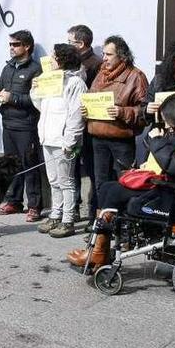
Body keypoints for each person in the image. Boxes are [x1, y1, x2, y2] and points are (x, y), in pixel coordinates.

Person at [68, 93, 175, 269]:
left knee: (112, 191)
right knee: (106, 188)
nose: (166, 125)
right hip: (173, 187)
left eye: (168, 121)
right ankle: (98, 249)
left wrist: (158, 141)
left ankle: (98, 253)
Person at [83, 35, 148, 219]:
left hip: (121, 139)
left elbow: (144, 111)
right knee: (100, 183)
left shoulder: (136, 76)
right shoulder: (101, 73)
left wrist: (122, 112)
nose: (104, 58)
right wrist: (86, 109)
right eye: (103, 54)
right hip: (97, 136)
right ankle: (101, 227)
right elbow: (92, 96)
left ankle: (125, 225)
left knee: (126, 182)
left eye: (109, 54)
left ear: (122, 56)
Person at [31, 43, 87, 238]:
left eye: (54, 57)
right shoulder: (51, 79)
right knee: (54, 180)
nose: (50, 61)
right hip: (48, 137)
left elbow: (76, 115)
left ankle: (68, 219)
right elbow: (41, 106)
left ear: (62, 60)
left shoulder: (75, 83)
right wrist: (35, 89)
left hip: (64, 140)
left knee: (67, 181)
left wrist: (70, 141)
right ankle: (55, 214)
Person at [0, 30, 44, 222]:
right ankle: (13, 200)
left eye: (15, 44)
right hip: (8, 123)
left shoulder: (36, 69)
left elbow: (37, 99)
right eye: (10, 45)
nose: (12, 48)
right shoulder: (8, 67)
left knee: (30, 165)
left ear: (26, 46)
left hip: (26, 124)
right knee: (10, 164)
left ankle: (34, 206)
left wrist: (12, 97)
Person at [67, 24, 102, 222]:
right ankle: (73, 208)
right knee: (71, 168)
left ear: (80, 43)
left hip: (89, 125)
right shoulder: (69, 62)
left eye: (70, 42)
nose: (68, 45)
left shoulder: (95, 64)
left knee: (90, 169)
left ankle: (93, 211)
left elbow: (96, 94)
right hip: (71, 122)